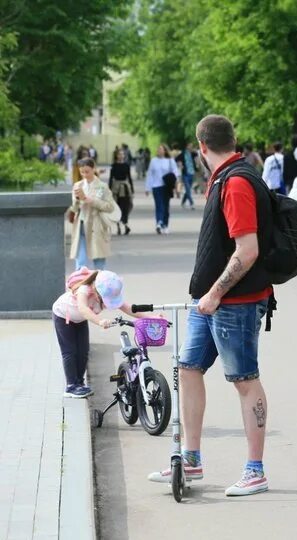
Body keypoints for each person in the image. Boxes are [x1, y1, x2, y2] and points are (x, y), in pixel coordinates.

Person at [147, 114, 272, 497]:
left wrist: (215, 293)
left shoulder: (235, 182)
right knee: (188, 368)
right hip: (211, 302)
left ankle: (255, 470)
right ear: (232, 140)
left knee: (244, 380)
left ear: (201, 147)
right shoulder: (229, 176)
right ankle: (190, 459)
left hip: (233, 302)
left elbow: (246, 251)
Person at [52, 269, 145, 398]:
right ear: (97, 292)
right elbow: (83, 309)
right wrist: (100, 321)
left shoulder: (106, 292)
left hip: (80, 319)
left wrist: (150, 317)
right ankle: (71, 386)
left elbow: (129, 308)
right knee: (70, 351)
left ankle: (79, 382)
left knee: (83, 351)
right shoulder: (84, 290)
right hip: (63, 316)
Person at [69, 158, 115, 270]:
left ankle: (100, 285)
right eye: (82, 172)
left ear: (94, 169)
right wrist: (76, 200)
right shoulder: (77, 185)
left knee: (99, 261)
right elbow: (74, 208)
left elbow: (110, 207)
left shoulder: (102, 186)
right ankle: (80, 286)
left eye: (87, 171)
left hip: (97, 225)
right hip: (81, 225)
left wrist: (90, 200)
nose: (85, 174)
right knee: (81, 261)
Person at [145, 144, 179, 234]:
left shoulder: (169, 161)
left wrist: (174, 181)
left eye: (161, 149)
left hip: (166, 186)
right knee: (159, 205)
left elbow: (176, 172)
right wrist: (147, 188)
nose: (159, 151)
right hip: (156, 186)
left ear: (165, 151)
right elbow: (150, 174)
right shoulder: (153, 161)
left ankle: (165, 225)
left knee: (165, 206)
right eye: (158, 149)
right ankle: (159, 223)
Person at [109, 149, 134, 235]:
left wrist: (132, 189)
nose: (121, 155)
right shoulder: (114, 166)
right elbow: (111, 178)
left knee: (126, 207)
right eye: (119, 154)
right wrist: (109, 190)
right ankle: (118, 226)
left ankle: (126, 225)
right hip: (116, 189)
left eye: (122, 154)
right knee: (117, 207)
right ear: (116, 155)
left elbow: (129, 177)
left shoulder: (127, 165)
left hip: (125, 188)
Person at [179, 142, 197, 209]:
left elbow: (198, 156)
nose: (191, 147)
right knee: (188, 189)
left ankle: (183, 202)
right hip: (185, 174)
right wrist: (180, 164)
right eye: (190, 146)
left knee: (188, 189)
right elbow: (176, 159)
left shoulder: (193, 154)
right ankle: (191, 203)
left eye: (191, 146)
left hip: (192, 173)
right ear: (186, 146)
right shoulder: (183, 153)